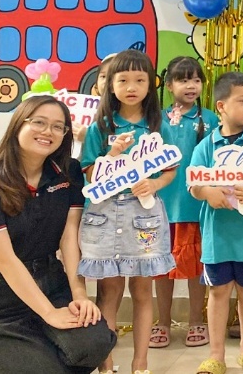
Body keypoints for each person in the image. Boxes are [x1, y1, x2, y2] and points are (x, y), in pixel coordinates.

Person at [0, 96, 116, 374]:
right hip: (0, 299)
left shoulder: (68, 172)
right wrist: (48, 313)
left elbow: (69, 237)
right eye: (39, 122)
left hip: (52, 282)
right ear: (18, 125)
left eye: (58, 127)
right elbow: (6, 261)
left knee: (94, 344)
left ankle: (7, 361)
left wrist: (79, 294)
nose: (48, 132)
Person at [78, 49, 176, 374]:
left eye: (139, 80)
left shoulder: (158, 126)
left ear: (151, 85)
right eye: (122, 80)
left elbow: (170, 169)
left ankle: (140, 364)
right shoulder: (100, 126)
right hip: (105, 214)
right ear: (110, 85)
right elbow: (89, 171)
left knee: (143, 290)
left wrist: (154, 184)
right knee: (109, 292)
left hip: (144, 215)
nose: (131, 87)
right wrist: (113, 154)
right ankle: (106, 365)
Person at [190, 72, 243, 374]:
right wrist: (207, 192)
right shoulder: (207, 145)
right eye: (242, 101)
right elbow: (194, 183)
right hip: (217, 236)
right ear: (221, 106)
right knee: (218, 292)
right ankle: (216, 354)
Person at [152, 56, 220, 350]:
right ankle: (162, 322)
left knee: (196, 268)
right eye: (183, 80)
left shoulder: (212, 120)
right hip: (161, 207)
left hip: (196, 207)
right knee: (161, 269)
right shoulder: (155, 119)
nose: (191, 86)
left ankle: (196, 321)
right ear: (169, 85)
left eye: (196, 80)